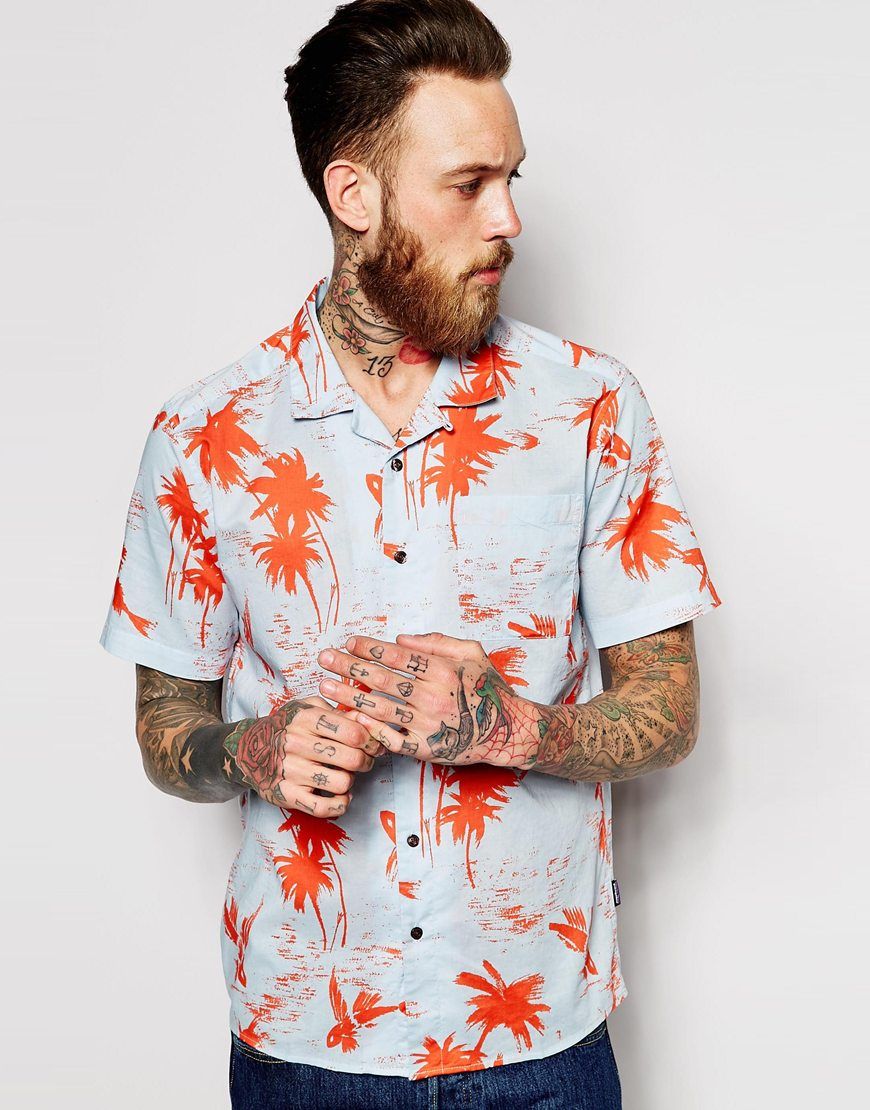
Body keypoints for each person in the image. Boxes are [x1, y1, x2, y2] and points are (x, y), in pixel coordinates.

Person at [99, 1, 722, 1106]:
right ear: (355, 195)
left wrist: (511, 728)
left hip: (540, 1038)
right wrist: (253, 751)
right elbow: (166, 732)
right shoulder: (202, 435)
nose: (510, 220)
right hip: (305, 1038)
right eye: (469, 184)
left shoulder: (591, 407)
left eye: (513, 179)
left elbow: (668, 712)